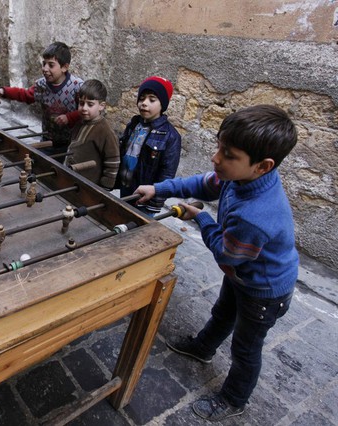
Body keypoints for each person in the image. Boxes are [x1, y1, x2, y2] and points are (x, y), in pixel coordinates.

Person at [134, 105, 298, 421]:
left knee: (246, 350)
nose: (216, 157)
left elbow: (225, 252)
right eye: (219, 146)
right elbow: (201, 183)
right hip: (242, 274)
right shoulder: (238, 177)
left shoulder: (256, 216)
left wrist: (203, 219)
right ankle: (203, 347)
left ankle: (234, 398)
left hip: (264, 291)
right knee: (224, 312)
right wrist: (159, 189)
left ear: (263, 166)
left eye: (228, 153)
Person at [0, 41, 83, 158]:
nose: (45, 69)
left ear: (64, 67)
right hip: (48, 140)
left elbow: (86, 112)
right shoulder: (41, 85)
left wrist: (69, 117)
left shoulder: (77, 87)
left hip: (72, 143)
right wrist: (5, 91)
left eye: (51, 65)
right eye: (44, 64)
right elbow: (26, 95)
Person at [117, 76, 181, 215]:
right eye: (141, 99)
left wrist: (155, 201)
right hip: (126, 185)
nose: (144, 103)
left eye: (152, 100)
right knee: (122, 219)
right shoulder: (134, 124)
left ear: (162, 105)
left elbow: (167, 173)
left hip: (145, 196)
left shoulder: (170, 136)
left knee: (140, 227)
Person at [64, 79, 119, 190]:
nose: (84, 108)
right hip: (72, 179)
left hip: (89, 185)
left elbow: (113, 160)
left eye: (90, 104)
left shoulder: (105, 131)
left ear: (101, 106)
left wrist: (105, 186)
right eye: (81, 103)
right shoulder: (80, 123)